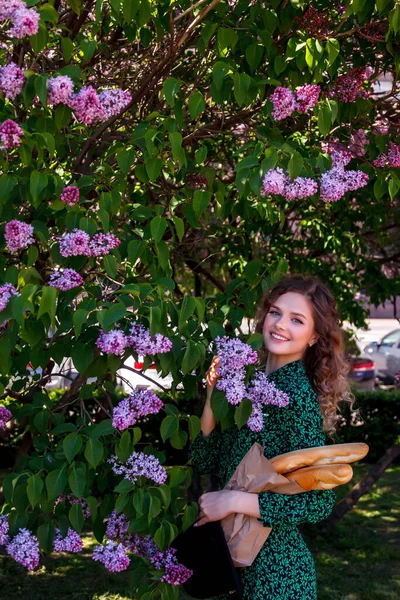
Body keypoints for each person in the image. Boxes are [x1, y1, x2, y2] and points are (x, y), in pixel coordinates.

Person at [189, 274, 355, 600]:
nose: (281, 324)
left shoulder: (295, 397)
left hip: (277, 576)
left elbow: (318, 502)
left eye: (297, 319)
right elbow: (206, 459)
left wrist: (234, 501)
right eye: (276, 312)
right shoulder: (253, 384)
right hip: (238, 563)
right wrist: (212, 395)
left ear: (313, 337)